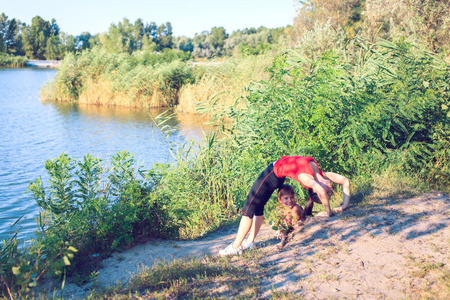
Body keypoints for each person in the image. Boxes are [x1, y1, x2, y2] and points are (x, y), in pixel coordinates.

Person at [219, 156, 350, 256]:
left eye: (329, 192)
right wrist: (343, 206)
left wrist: (329, 212)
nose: (331, 189)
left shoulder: (307, 179)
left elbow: (321, 191)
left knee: (248, 209)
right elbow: (345, 181)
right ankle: (249, 243)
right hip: (277, 175)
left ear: (315, 190)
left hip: (272, 173)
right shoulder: (321, 175)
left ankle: (235, 247)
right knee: (258, 207)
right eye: (330, 192)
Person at [272, 184, 304, 250]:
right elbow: (279, 222)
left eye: (292, 197)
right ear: (280, 200)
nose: (289, 200)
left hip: (298, 228)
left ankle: (287, 241)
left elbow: (295, 225)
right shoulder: (279, 209)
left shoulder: (295, 208)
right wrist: (279, 230)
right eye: (286, 198)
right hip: (288, 229)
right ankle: (284, 241)